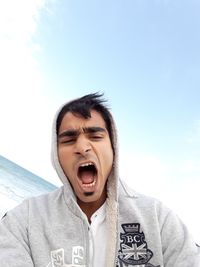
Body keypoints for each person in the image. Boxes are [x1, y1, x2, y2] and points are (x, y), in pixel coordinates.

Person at [0, 93, 199, 267]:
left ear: (114, 148)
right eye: (68, 140)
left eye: (95, 136)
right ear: (56, 155)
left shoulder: (159, 220)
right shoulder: (24, 221)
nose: (82, 147)